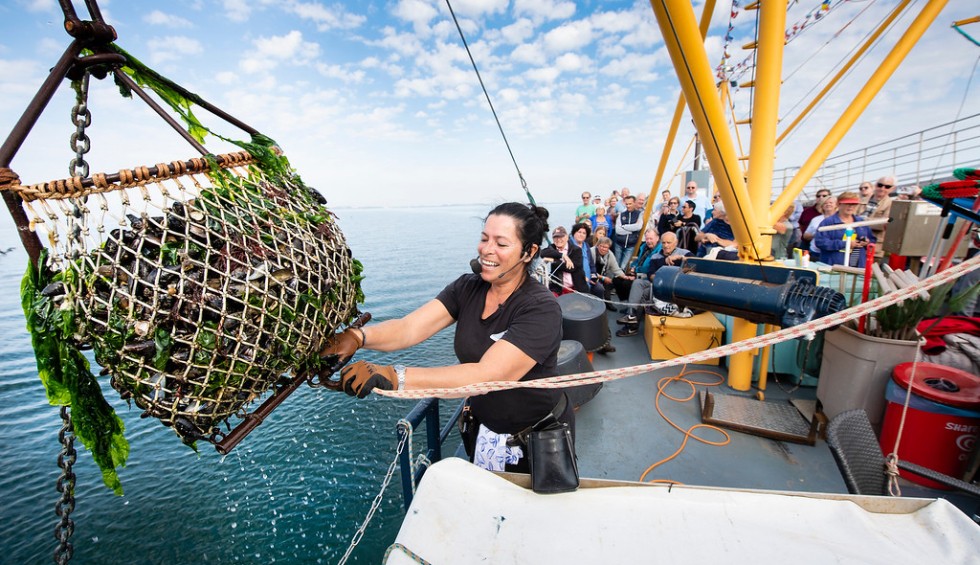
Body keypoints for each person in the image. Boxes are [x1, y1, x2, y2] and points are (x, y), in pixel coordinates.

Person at [319, 202, 570, 474]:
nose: (486, 249)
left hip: (533, 438)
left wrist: (394, 377)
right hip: (484, 429)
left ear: (529, 252)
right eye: (484, 238)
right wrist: (358, 336)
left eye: (501, 243)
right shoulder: (468, 287)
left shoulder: (540, 308)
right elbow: (408, 328)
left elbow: (488, 375)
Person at [616, 231, 690, 337]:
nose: (666, 245)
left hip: (675, 288)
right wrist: (662, 278)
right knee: (637, 283)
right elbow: (651, 274)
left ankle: (632, 327)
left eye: (669, 243)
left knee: (643, 293)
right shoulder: (656, 256)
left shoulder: (684, 253)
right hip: (657, 285)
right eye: (663, 243)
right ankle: (631, 315)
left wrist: (679, 257)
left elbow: (696, 264)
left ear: (676, 242)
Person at [814, 191, 875, 267]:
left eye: (854, 204)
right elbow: (820, 242)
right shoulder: (828, 222)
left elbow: (872, 240)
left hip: (859, 266)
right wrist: (845, 244)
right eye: (847, 204)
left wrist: (867, 242)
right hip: (835, 266)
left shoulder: (861, 222)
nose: (851, 207)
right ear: (839, 204)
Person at [540, 226, 589, 295]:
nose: (558, 239)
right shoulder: (552, 248)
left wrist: (554, 260)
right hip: (558, 288)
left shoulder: (576, 250)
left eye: (561, 237)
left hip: (576, 289)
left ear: (567, 237)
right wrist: (562, 255)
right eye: (556, 237)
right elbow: (542, 253)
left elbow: (571, 268)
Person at [590, 236, 631, 308]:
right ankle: (598, 306)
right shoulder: (591, 252)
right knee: (601, 287)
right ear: (598, 245)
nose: (603, 249)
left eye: (606, 247)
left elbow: (616, 269)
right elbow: (589, 270)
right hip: (591, 276)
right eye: (601, 246)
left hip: (602, 275)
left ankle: (607, 301)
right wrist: (603, 278)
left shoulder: (610, 254)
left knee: (615, 280)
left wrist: (625, 277)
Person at [570, 222, 603, 300]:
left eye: (584, 233)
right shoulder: (569, 245)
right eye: (579, 232)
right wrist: (584, 278)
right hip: (576, 279)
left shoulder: (586, 245)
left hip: (589, 278)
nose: (581, 235)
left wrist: (593, 276)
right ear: (574, 233)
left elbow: (591, 264)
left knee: (600, 289)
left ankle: (598, 310)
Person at [864, 176, 895, 260]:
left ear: (892, 189)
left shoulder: (892, 204)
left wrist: (861, 220)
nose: (882, 188)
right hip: (855, 244)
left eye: (887, 186)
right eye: (880, 185)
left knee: (870, 272)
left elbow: (884, 223)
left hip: (874, 246)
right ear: (875, 185)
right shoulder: (862, 199)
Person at [802, 196, 837, 262]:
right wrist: (817, 234)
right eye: (825, 203)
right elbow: (805, 236)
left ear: (836, 205)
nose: (828, 204)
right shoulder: (816, 219)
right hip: (815, 252)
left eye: (830, 203)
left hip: (833, 252)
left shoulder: (840, 219)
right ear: (822, 206)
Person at [613, 195, 643, 266]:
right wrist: (632, 230)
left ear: (634, 203)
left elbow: (638, 226)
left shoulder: (639, 214)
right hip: (619, 243)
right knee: (616, 265)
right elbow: (618, 230)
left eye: (630, 204)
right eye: (626, 204)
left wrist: (624, 227)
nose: (628, 206)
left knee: (624, 266)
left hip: (631, 245)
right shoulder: (621, 214)